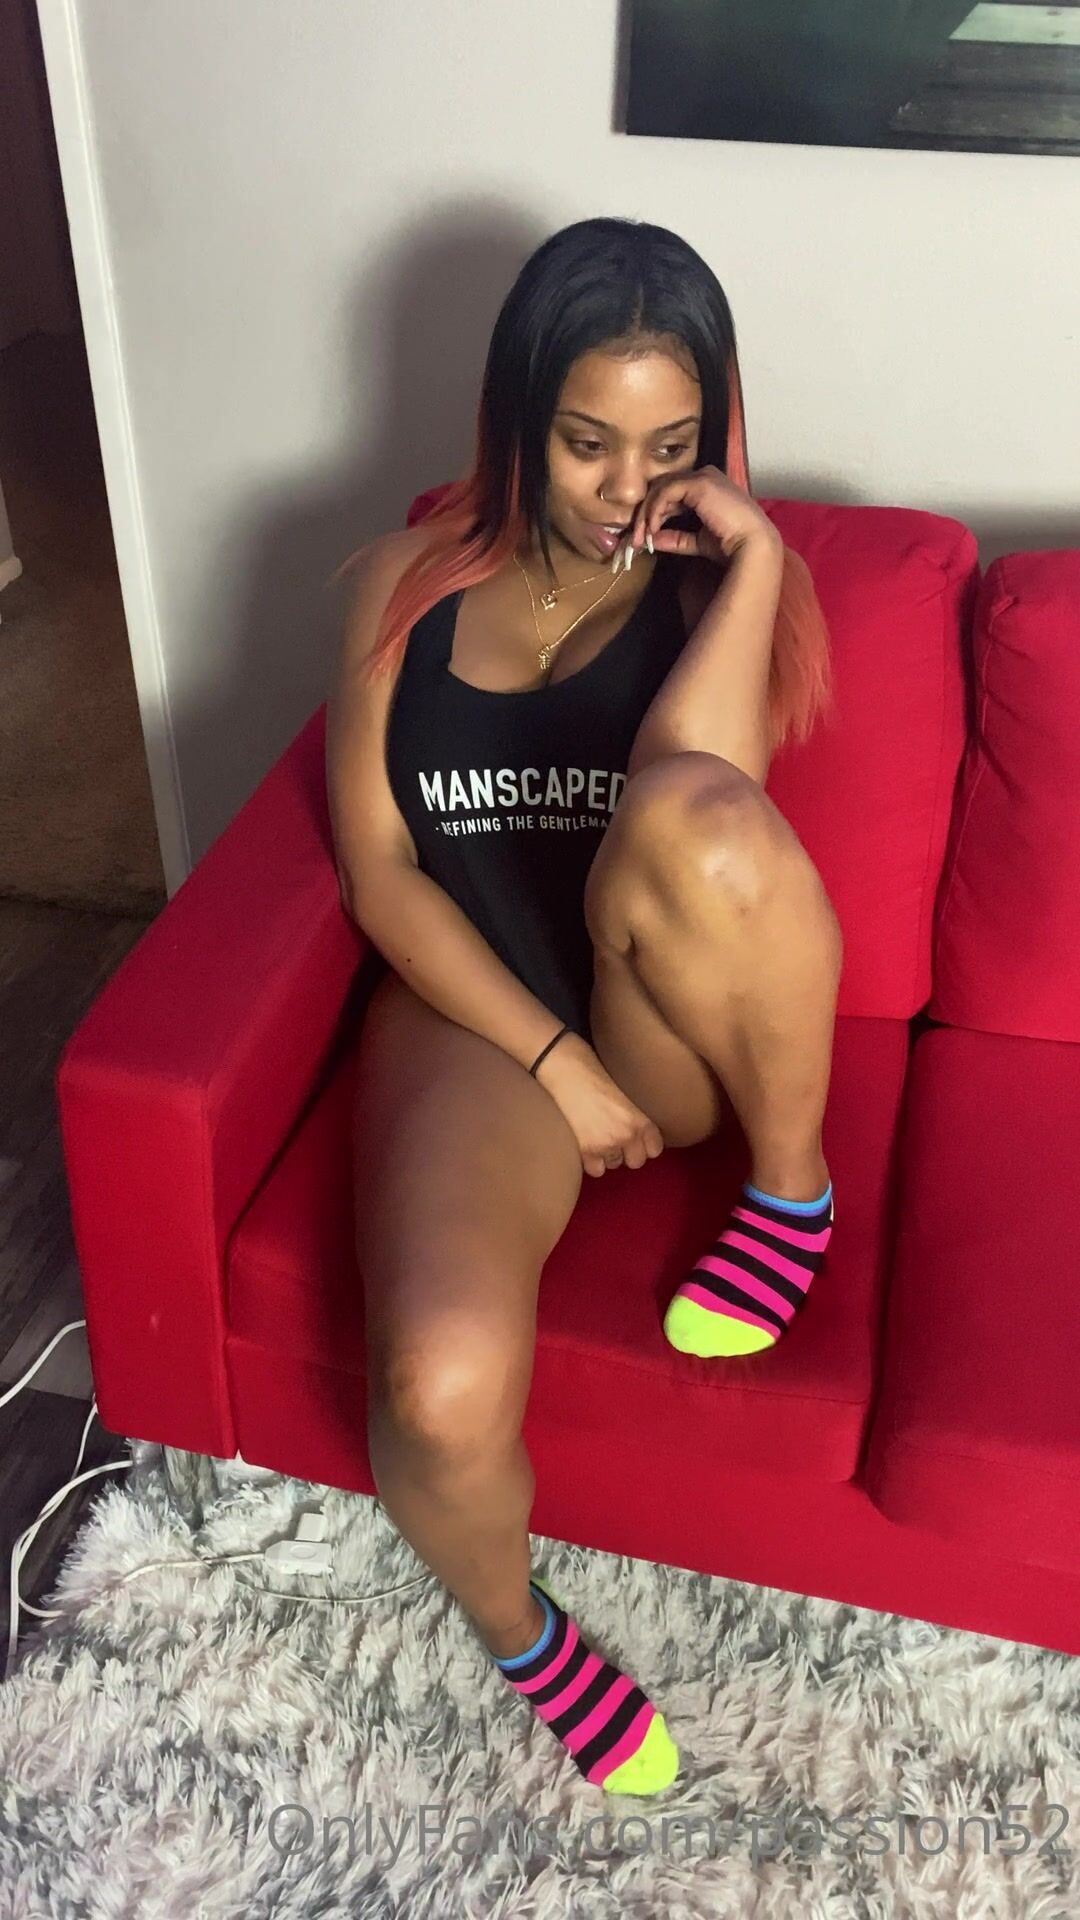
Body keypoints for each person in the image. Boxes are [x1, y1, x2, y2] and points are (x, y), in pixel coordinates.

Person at [325, 217, 842, 1797]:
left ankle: (795, 1190)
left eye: (670, 448)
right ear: (516, 418)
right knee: (436, 1388)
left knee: (696, 816)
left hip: (647, 1007)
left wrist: (756, 562)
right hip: (477, 1019)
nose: (628, 490)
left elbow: (708, 815)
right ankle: (522, 1636)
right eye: (589, 443)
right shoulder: (400, 588)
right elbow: (382, 873)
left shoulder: (709, 596)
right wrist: (549, 1063)